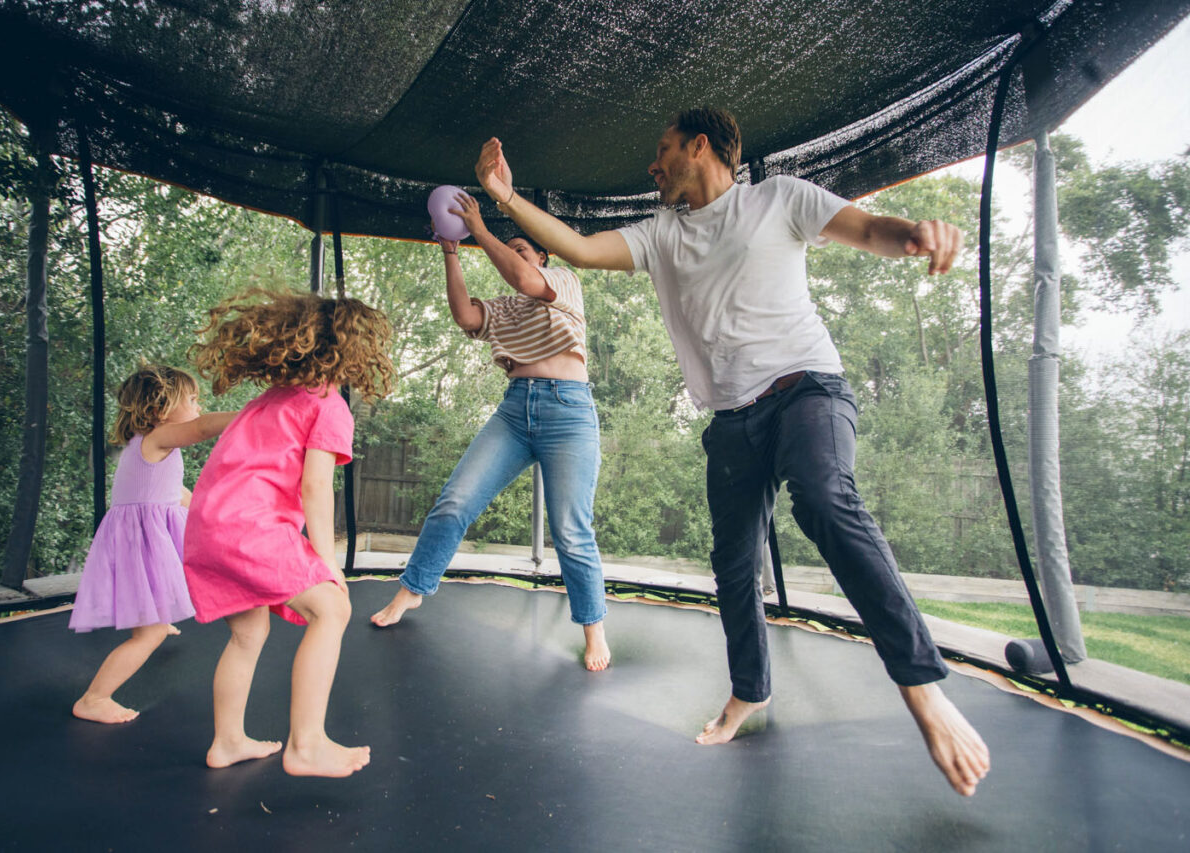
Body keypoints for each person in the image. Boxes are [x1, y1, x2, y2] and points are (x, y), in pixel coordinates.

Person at [472, 107, 991, 796]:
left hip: (808, 388)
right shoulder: (661, 235)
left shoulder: (780, 198)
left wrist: (918, 234)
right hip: (732, 421)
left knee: (824, 497)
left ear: (701, 145)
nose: (652, 166)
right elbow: (580, 247)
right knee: (733, 563)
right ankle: (750, 691)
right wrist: (502, 197)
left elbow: (867, 230)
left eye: (662, 151)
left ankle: (923, 687)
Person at [370, 192, 611, 672]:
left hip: (568, 412)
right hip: (515, 412)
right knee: (454, 501)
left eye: (522, 249)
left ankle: (593, 630)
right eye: (510, 249)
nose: (515, 256)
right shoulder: (502, 308)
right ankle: (411, 591)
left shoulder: (562, 280)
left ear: (542, 257)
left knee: (569, 527)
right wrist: (450, 249)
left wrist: (480, 230)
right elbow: (464, 315)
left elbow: (523, 276)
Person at [182, 288, 394, 778]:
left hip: (209, 527)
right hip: (249, 528)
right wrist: (328, 563)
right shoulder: (329, 404)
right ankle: (307, 745)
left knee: (248, 634)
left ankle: (228, 741)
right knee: (332, 608)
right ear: (354, 353)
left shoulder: (270, 399)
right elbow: (316, 486)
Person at [69, 365, 237, 724]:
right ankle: (94, 698)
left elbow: (175, 493)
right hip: (142, 542)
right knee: (152, 634)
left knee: (158, 595)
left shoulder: (147, 448)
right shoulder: (158, 439)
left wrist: (210, 514)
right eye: (191, 399)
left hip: (144, 539)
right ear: (161, 410)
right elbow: (202, 427)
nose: (198, 405)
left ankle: (154, 618)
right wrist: (251, 415)